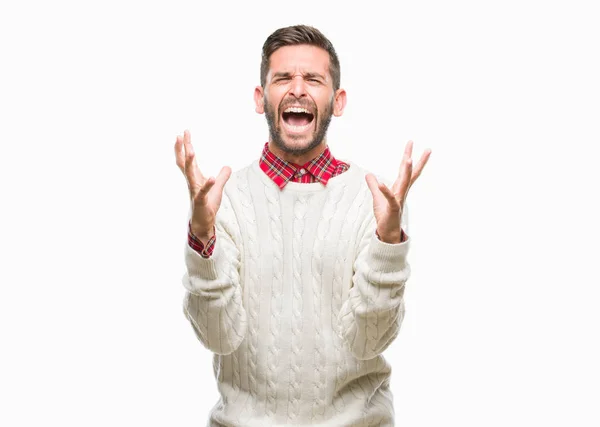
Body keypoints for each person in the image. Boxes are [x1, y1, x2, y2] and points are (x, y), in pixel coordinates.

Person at [174, 24, 431, 427]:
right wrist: (202, 239)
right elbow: (218, 337)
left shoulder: (375, 202)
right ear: (261, 99)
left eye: (313, 79)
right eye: (282, 78)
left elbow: (370, 339)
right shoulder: (224, 200)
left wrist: (388, 242)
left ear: (337, 100)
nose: (297, 89)